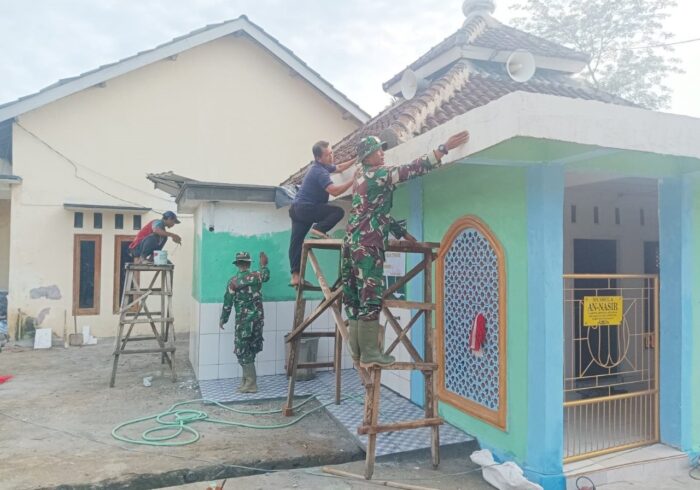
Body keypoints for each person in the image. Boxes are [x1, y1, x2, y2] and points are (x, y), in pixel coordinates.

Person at [342, 131, 470, 366]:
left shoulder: (359, 177)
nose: (382, 154)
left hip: (350, 244)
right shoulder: (378, 174)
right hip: (368, 246)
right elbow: (410, 170)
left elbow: (375, 213)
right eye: (377, 151)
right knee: (370, 297)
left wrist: (402, 234)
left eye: (381, 149)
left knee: (354, 298)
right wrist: (443, 148)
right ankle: (370, 354)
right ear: (367, 157)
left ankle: (358, 352)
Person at [288, 141, 356, 287]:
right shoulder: (319, 172)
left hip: (296, 209)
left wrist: (356, 160)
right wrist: (353, 180)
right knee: (338, 212)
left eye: (332, 152)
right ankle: (319, 229)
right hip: (307, 208)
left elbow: (339, 167)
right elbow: (334, 191)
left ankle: (295, 276)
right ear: (318, 158)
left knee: (296, 242)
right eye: (328, 155)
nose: (332, 156)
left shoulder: (321, 166)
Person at [219, 251, 270, 393]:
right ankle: (246, 381)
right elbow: (266, 275)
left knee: (242, 350)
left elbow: (228, 302)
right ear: (248, 263)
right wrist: (263, 264)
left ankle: (251, 383)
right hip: (258, 320)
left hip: (244, 322)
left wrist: (223, 318)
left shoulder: (233, 282)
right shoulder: (257, 276)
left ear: (237, 264)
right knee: (251, 349)